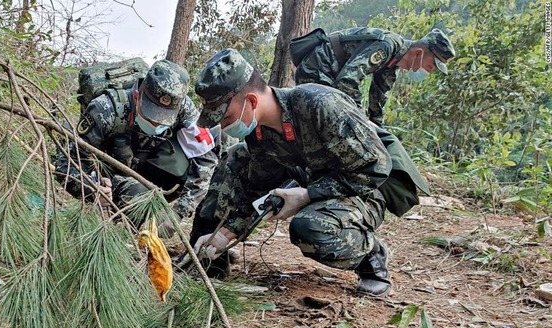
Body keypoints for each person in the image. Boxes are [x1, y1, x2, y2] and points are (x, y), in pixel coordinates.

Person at [189, 48, 428, 297]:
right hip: (314, 181)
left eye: (225, 117)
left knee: (310, 228)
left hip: (365, 189)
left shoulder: (320, 105)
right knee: (236, 156)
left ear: (251, 101)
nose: (224, 126)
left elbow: (375, 168)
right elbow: (258, 189)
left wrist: (307, 195)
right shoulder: (259, 134)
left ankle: (371, 257)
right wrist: (225, 235)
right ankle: (207, 257)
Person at [55, 60, 218, 237]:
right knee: (138, 193)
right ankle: (118, 234)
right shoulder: (105, 110)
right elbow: (66, 165)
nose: (156, 124)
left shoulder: (184, 109)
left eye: (164, 120)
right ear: (136, 97)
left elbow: (206, 161)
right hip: (111, 177)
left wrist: (177, 214)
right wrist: (92, 189)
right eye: (152, 116)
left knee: (220, 143)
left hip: (151, 170)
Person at [290, 27, 456, 125]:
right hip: (317, 69)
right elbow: (347, 82)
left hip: (330, 76)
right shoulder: (387, 46)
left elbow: (377, 102)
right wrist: (360, 121)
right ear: (419, 53)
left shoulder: (392, 65)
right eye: (431, 65)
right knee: (325, 125)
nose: (429, 71)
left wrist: (378, 132)